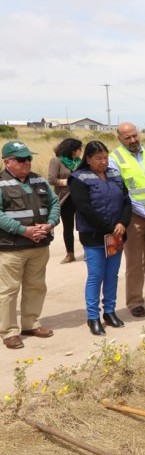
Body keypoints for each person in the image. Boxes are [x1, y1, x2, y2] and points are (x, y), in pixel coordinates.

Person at [0, 141, 60, 349]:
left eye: (29, 159)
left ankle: (30, 323)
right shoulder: (1, 183)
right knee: (8, 290)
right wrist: (23, 231)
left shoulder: (39, 180)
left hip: (39, 246)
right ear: (8, 162)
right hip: (11, 247)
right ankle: (8, 332)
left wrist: (50, 224)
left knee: (36, 286)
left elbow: (54, 203)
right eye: (21, 159)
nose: (27, 163)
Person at [69, 141, 131, 336]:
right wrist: (108, 228)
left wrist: (122, 223)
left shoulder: (115, 174)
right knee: (96, 276)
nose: (103, 162)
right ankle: (93, 316)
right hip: (94, 236)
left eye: (105, 157)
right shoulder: (79, 178)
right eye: (98, 158)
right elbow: (84, 208)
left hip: (116, 235)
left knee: (112, 275)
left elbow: (126, 201)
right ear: (88, 158)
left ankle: (110, 312)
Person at [109, 122, 145, 318]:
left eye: (135, 136)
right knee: (133, 261)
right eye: (127, 138)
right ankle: (134, 301)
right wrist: (140, 210)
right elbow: (119, 191)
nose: (133, 140)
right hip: (132, 216)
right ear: (119, 139)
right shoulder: (114, 159)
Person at [48, 137, 82, 264]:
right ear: (72, 150)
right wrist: (69, 182)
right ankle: (70, 253)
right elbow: (51, 179)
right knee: (68, 227)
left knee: (83, 225)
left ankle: (88, 251)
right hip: (65, 198)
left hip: (80, 197)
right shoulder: (56, 161)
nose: (81, 151)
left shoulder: (79, 162)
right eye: (79, 149)